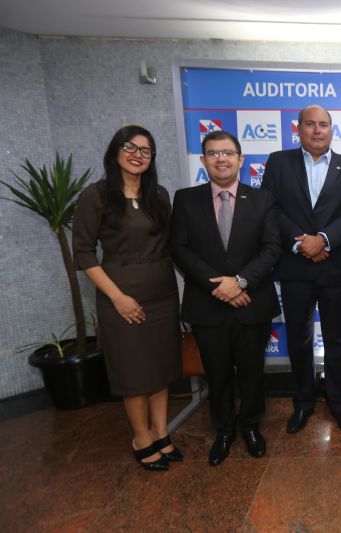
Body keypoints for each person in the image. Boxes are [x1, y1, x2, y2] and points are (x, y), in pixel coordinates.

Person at [73, 125, 181, 471]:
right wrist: (118, 298)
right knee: (135, 373)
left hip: (162, 295)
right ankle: (141, 438)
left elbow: (171, 245)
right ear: (115, 151)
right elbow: (84, 254)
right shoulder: (98, 195)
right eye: (130, 147)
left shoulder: (159, 195)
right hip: (122, 298)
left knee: (161, 368)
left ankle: (162, 433)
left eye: (145, 150)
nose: (137, 154)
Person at [171, 130, 282, 466]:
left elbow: (272, 248)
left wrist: (242, 282)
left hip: (252, 303)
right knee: (216, 374)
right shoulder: (186, 199)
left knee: (251, 372)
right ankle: (223, 430)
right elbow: (179, 248)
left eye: (228, 153)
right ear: (203, 161)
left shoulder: (262, 199)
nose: (221, 158)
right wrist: (218, 286)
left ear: (240, 159)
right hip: (208, 305)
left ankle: (250, 426)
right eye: (213, 153)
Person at [262, 105, 341, 434]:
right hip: (295, 267)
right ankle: (303, 401)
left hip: (335, 269)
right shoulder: (279, 162)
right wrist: (301, 243)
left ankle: (338, 399)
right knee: (299, 339)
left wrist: (323, 240)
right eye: (310, 124)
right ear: (299, 129)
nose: (317, 130)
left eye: (323, 125)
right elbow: (270, 207)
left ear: (331, 130)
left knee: (337, 339)